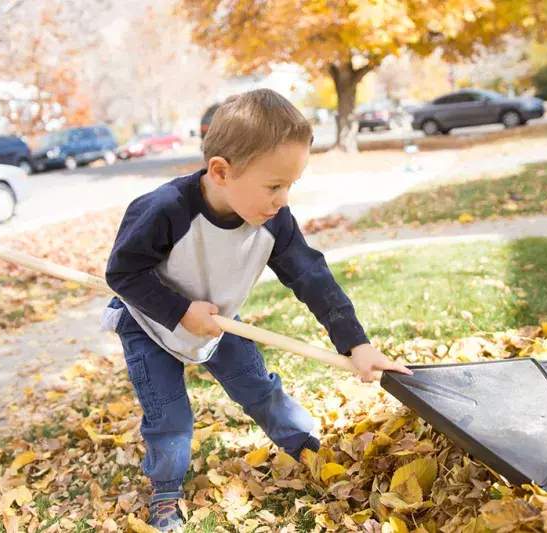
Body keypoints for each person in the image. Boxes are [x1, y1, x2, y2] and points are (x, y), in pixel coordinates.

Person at [102, 88, 411, 531]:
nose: (283, 198)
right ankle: (166, 489)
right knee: (169, 416)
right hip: (149, 323)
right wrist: (180, 310)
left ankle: (305, 447)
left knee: (258, 387)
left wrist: (356, 344)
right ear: (222, 171)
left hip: (219, 322)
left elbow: (311, 276)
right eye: (274, 185)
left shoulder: (273, 220)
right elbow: (122, 272)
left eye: (290, 185)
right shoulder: (163, 210)